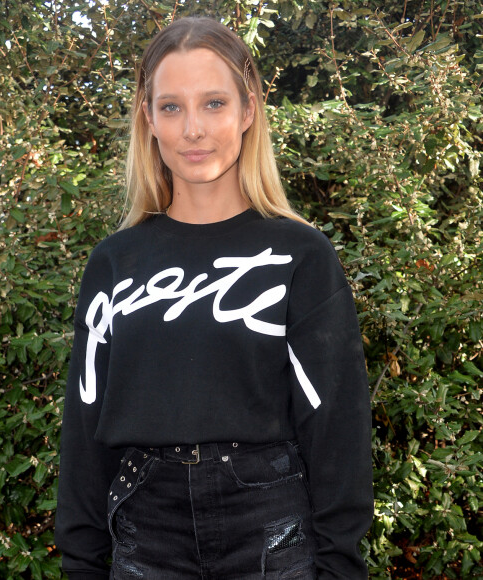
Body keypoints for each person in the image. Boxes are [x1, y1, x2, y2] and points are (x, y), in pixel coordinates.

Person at [55, 16, 373, 580]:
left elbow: (337, 424)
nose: (193, 129)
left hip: (272, 526)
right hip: (144, 529)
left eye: (214, 103)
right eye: (171, 107)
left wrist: (339, 562)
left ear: (247, 111)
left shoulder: (300, 255)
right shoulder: (114, 263)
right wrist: (81, 561)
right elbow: (84, 426)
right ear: (148, 119)